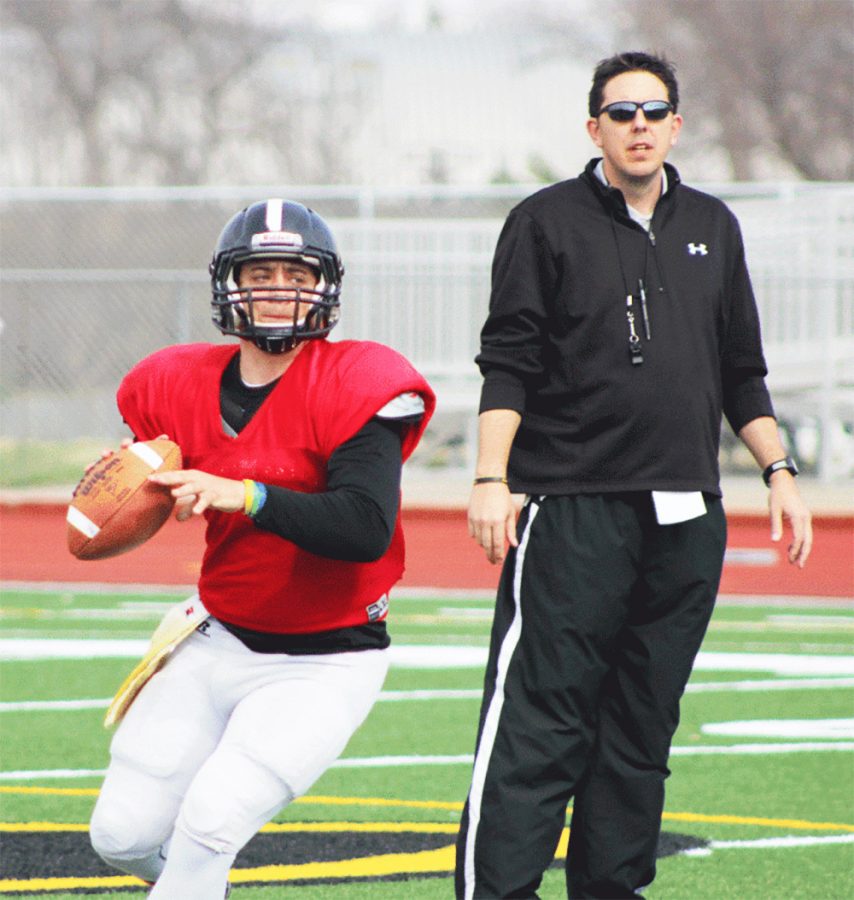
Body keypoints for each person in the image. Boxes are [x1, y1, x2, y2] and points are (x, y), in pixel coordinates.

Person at [455, 51, 812, 900]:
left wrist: (780, 470)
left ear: (677, 125)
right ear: (595, 129)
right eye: (622, 113)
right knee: (540, 727)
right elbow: (507, 362)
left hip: (689, 519)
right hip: (575, 511)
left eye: (655, 111)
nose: (639, 126)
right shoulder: (544, 222)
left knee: (639, 731)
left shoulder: (715, 226)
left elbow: (741, 373)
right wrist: (488, 479)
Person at [88, 199, 435, 898]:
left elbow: (364, 525)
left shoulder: (359, 380)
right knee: (121, 835)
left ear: (324, 287)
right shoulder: (172, 382)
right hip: (214, 638)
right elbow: (140, 477)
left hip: (324, 661)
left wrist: (246, 495)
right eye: (260, 271)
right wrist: (128, 487)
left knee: (211, 824)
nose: (278, 287)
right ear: (228, 285)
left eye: (294, 272)